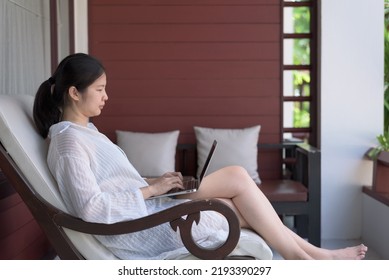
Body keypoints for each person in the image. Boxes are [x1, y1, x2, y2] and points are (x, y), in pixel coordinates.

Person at [33, 53, 368, 260]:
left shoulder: (84, 133)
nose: (107, 97)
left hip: (148, 209)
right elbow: (91, 208)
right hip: (140, 228)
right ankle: (307, 256)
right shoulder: (68, 144)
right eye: (100, 89)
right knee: (237, 184)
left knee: (237, 193)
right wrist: (152, 191)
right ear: (74, 93)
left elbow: (112, 184)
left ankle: (310, 254)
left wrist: (158, 183)